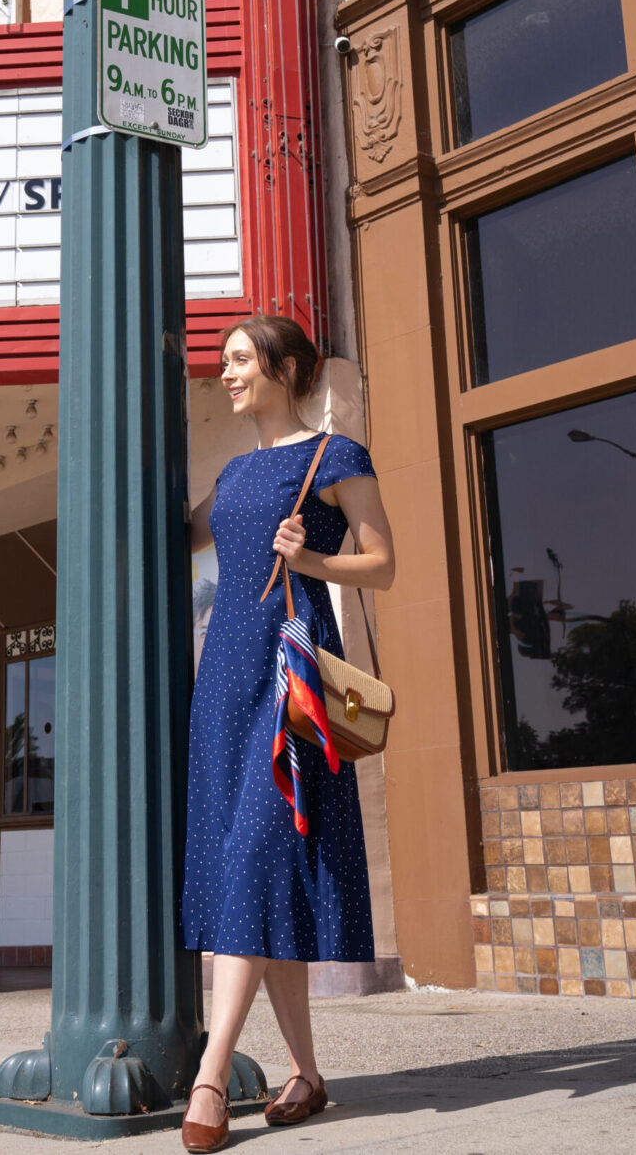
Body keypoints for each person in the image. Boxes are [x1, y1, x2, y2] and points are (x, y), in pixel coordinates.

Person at [180, 314, 395, 1153]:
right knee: (259, 871)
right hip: (224, 685)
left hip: (293, 678)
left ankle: (211, 1073)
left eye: (240, 360)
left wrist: (315, 564)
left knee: (253, 858)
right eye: (224, 362)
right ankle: (306, 1073)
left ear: (287, 367)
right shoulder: (232, 475)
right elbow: (178, 537)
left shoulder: (335, 457)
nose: (226, 374)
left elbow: (383, 561)